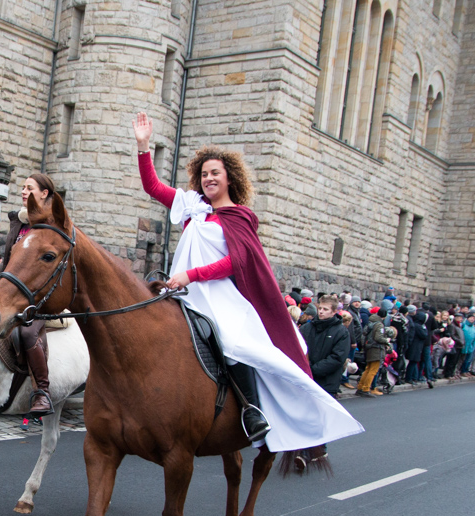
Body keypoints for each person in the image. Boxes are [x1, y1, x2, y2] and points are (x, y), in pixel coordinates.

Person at [133, 111, 362, 451]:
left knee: (231, 341)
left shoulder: (240, 217)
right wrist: (143, 146)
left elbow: (237, 262)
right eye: (204, 173)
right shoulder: (192, 205)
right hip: (182, 291)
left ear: (229, 178)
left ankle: (252, 411)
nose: (208, 178)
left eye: (215, 173)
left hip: (217, 294)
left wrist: (191, 275)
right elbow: (152, 187)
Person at [0, 174, 57, 416]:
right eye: (23, 187)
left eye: (29, 188)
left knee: (26, 332)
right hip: (13, 291)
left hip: (40, 295)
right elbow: (9, 261)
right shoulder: (18, 221)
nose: (23, 191)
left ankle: (42, 392)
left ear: (44, 193)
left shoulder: (52, 223)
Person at [294, 295, 350, 470]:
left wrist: (313, 369)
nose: (321, 312)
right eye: (320, 308)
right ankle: (308, 450)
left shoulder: (341, 332)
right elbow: (297, 348)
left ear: (333, 312)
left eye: (326, 309)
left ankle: (314, 450)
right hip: (306, 378)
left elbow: (337, 358)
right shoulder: (307, 328)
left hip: (326, 381)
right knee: (305, 415)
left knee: (320, 417)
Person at [356, 307, 389, 397]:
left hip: (369, 348)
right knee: (373, 370)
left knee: (367, 369)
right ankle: (366, 389)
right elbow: (378, 337)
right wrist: (386, 340)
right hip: (376, 349)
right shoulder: (379, 325)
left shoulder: (370, 322)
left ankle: (360, 387)